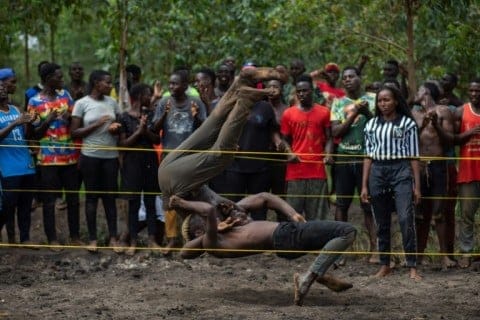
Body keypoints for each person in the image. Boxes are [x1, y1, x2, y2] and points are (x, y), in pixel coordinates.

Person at [171, 192, 356, 306]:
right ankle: (308, 278)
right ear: (199, 230)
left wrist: (292, 213)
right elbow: (208, 212)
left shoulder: (232, 223)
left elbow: (264, 198)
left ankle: (319, 274)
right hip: (286, 236)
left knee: (333, 236)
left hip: (287, 237)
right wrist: (181, 203)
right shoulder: (212, 242)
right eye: (203, 220)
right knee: (348, 231)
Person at [158, 67, 286, 215]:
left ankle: (245, 101)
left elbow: (205, 209)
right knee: (210, 127)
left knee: (222, 155)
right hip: (167, 168)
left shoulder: (205, 225)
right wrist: (235, 207)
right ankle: (240, 83)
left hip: (176, 184)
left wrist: (224, 220)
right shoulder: (210, 201)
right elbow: (214, 199)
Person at [360, 85, 421, 281]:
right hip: (377, 171)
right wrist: (364, 185)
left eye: (387, 99)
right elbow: (368, 156)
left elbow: (413, 156)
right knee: (381, 220)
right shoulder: (370, 125)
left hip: (400, 169)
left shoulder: (407, 124)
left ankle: (412, 265)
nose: (383, 103)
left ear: (396, 101)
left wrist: (417, 185)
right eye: (380, 100)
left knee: (405, 217)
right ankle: (385, 264)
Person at [27, 63, 81, 250]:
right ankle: (52, 239)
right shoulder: (34, 102)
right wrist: (47, 121)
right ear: (48, 78)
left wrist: (68, 118)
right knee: (49, 201)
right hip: (47, 159)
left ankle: (75, 236)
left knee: (73, 199)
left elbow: (75, 121)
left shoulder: (65, 96)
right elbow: (33, 133)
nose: (62, 80)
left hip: (69, 157)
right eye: (58, 77)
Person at [153, 70, 207, 254]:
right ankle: (171, 239)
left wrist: (197, 115)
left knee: (193, 195)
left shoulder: (196, 102)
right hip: (169, 156)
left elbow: (205, 129)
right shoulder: (164, 102)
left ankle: (196, 237)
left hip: (190, 156)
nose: (171, 87)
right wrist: (163, 114)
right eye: (170, 83)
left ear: (185, 85)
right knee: (168, 199)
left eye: (175, 84)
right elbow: (154, 128)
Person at [71, 70, 123, 253]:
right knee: (91, 198)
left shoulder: (113, 103)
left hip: (110, 158)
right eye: (107, 83)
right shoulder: (81, 104)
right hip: (90, 157)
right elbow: (74, 133)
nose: (110, 86)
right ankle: (92, 239)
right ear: (96, 83)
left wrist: (116, 128)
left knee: (110, 199)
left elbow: (120, 126)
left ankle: (113, 238)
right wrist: (97, 124)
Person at [330, 66, 377, 264]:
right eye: (345, 78)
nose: (348, 80)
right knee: (342, 205)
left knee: (369, 205)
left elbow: (380, 125)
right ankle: (340, 251)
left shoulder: (374, 99)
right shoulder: (338, 103)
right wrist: (353, 114)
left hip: (367, 159)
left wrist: (365, 111)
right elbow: (336, 132)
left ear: (360, 78)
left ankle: (376, 250)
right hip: (344, 159)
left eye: (352, 76)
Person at [411, 82, 456, 268]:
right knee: (420, 214)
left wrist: (436, 124)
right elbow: (408, 140)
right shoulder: (413, 114)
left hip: (438, 165)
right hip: (419, 167)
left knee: (439, 212)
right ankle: (418, 256)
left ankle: (444, 256)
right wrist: (422, 125)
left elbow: (450, 141)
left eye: (419, 90)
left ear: (427, 93)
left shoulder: (443, 111)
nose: (416, 93)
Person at [280, 74, 333, 221]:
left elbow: (329, 138)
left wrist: (328, 155)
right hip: (295, 170)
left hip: (317, 171)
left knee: (318, 215)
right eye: (299, 91)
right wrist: (289, 153)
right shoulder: (288, 113)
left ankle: (317, 243)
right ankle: (294, 243)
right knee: (293, 215)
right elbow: (284, 140)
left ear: (312, 90)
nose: (302, 94)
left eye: (305, 90)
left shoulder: (324, 112)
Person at [118, 83, 161, 255]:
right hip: (132, 164)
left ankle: (152, 240)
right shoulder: (123, 117)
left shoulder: (150, 115)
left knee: (150, 202)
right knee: (134, 203)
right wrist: (139, 132)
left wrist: (145, 130)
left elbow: (156, 139)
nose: (150, 98)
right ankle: (133, 241)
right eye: (148, 94)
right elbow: (122, 144)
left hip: (149, 162)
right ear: (139, 96)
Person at [448, 79, 480, 268]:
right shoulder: (461, 111)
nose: (474, 94)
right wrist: (470, 133)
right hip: (468, 171)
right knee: (467, 214)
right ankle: (466, 253)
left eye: (478, 91)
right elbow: (452, 139)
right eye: (471, 90)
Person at [0, 81, 36, 245]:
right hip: (8, 167)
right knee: (7, 206)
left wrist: (29, 122)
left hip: (26, 164)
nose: (2, 88)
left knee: (25, 204)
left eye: (2, 86)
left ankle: (25, 238)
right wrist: (15, 122)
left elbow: (25, 135)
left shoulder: (16, 109)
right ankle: (8, 236)